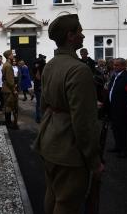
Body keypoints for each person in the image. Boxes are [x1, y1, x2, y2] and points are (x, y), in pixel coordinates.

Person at [33, 14, 102, 214]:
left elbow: (45, 106)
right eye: (79, 32)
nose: (83, 36)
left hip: (50, 141)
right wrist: (94, 161)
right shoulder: (79, 69)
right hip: (69, 149)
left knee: (53, 193)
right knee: (67, 202)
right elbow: (84, 123)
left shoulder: (51, 65)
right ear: (70, 36)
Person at [105, 58, 127, 158]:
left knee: (125, 130)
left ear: (124, 66)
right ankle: (118, 146)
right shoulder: (114, 75)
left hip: (123, 108)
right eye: (114, 65)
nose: (115, 67)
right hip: (113, 107)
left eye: (117, 65)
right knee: (115, 128)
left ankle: (126, 149)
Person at [2, 50, 19, 129]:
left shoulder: (5, 64)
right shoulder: (8, 66)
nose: (13, 56)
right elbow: (10, 80)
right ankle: (8, 124)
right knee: (9, 106)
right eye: (12, 54)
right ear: (9, 56)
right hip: (9, 89)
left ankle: (7, 122)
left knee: (7, 105)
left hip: (5, 88)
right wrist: (14, 89)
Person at [32, 54, 46, 123]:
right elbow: (38, 77)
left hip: (43, 87)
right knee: (39, 103)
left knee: (43, 103)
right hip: (38, 87)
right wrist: (38, 67)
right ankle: (38, 117)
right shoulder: (36, 67)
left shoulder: (44, 66)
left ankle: (42, 117)